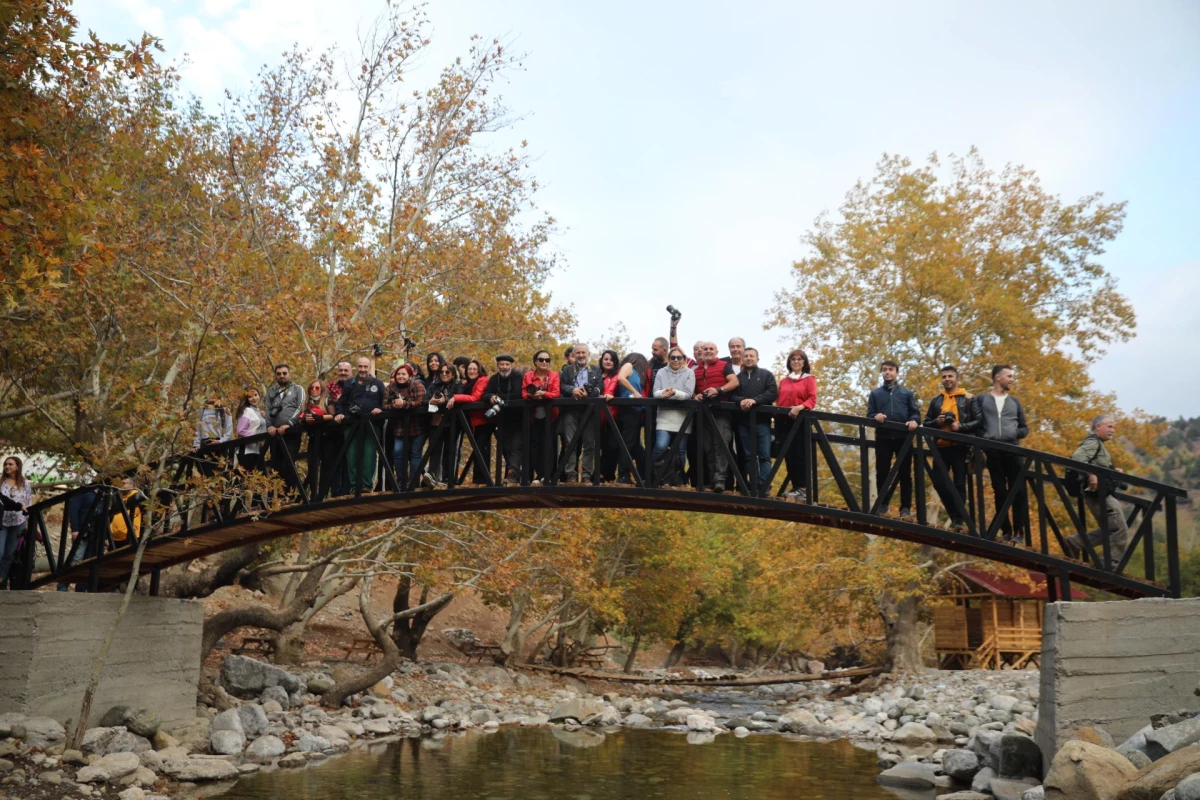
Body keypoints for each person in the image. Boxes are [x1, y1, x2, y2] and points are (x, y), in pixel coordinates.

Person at [972, 365, 1029, 545]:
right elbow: (977, 424)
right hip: (993, 451)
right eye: (1009, 376)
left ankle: (1019, 531)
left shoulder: (1015, 402)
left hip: (1013, 450)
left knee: (1018, 492)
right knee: (999, 491)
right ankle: (1006, 530)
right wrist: (985, 440)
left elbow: (1024, 428)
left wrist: (1013, 434)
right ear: (998, 378)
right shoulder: (982, 399)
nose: (1012, 379)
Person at [1065, 414, 1130, 569]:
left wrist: (1112, 470)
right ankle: (1109, 565)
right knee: (1119, 529)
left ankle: (1075, 543)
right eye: (1109, 426)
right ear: (1098, 426)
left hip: (1099, 493)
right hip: (1097, 493)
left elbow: (1095, 463)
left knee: (1112, 529)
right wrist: (1091, 474)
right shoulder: (1093, 443)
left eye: (1113, 427)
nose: (1112, 430)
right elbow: (1077, 458)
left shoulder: (1099, 445)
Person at [922, 366, 977, 532]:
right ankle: (956, 516)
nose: (947, 379)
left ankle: (958, 520)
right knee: (939, 483)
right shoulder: (936, 400)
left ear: (957, 378)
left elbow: (978, 422)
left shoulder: (968, 399)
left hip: (961, 447)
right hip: (941, 447)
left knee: (959, 485)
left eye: (950, 376)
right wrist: (937, 422)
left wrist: (959, 426)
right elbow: (926, 423)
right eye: (944, 376)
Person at [867, 360, 920, 519]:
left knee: (905, 474)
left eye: (890, 370)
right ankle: (883, 504)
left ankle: (905, 508)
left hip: (903, 437)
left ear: (897, 372)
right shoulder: (876, 394)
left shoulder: (906, 393)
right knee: (882, 472)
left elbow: (915, 413)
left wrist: (914, 421)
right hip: (883, 437)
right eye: (884, 370)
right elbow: (869, 414)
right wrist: (876, 416)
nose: (887, 372)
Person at [334, 356, 386, 493]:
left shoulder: (378, 384)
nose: (362, 369)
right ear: (356, 368)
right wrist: (339, 413)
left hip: (371, 424)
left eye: (365, 367)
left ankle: (366, 484)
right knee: (352, 455)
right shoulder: (350, 383)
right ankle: (354, 485)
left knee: (369, 454)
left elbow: (385, 402)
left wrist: (381, 409)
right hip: (352, 423)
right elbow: (341, 402)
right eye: (360, 366)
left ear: (369, 368)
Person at [693, 342, 739, 492]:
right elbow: (692, 390)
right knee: (708, 447)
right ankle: (713, 480)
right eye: (705, 349)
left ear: (716, 351)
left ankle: (720, 480)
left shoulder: (724, 365)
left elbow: (734, 382)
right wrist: (696, 396)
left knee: (721, 445)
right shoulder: (696, 370)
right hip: (704, 413)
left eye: (710, 349)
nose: (707, 351)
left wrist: (719, 390)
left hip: (721, 411)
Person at [733, 347, 778, 496]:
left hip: (762, 422)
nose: (748, 358)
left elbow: (772, 393)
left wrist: (755, 400)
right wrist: (742, 401)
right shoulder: (738, 378)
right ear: (742, 359)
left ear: (757, 359)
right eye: (746, 356)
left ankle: (764, 485)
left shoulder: (766, 375)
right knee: (748, 456)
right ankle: (753, 485)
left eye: (752, 356)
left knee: (764, 455)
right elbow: (732, 395)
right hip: (744, 422)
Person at [776, 349, 817, 501]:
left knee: (800, 454)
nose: (796, 361)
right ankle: (796, 487)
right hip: (784, 422)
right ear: (789, 362)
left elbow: (812, 399)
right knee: (789, 455)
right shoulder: (784, 380)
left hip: (800, 421)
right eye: (793, 359)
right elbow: (779, 400)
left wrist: (800, 407)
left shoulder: (809, 379)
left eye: (800, 359)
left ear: (804, 362)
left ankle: (804, 489)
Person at [558, 344, 603, 484]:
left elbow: (600, 386)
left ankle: (586, 475)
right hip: (571, 410)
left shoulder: (596, 370)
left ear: (589, 354)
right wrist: (573, 390)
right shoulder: (567, 370)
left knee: (589, 444)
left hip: (589, 411)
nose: (581, 355)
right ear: (574, 354)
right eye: (578, 353)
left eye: (584, 352)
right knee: (570, 443)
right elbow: (562, 386)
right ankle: (570, 474)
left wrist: (589, 393)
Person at [651, 346, 695, 486]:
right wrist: (664, 393)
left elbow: (688, 394)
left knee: (681, 450)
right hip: (664, 416)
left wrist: (674, 392)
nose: (676, 360)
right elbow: (655, 392)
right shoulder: (661, 372)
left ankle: (678, 480)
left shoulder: (689, 373)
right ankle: (653, 476)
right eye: (673, 357)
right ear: (669, 359)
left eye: (679, 357)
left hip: (683, 418)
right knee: (661, 445)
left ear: (684, 359)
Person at [385, 364, 428, 491]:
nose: (401, 376)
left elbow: (420, 402)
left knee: (415, 453)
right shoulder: (391, 387)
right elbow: (384, 404)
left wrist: (404, 404)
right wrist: (395, 405)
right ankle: (401, 480)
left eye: (404, 374)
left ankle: (414, 482)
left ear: (410, 375)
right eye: (398, 374)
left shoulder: (417, 385)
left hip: (418, 426)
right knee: (397, 452)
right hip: (400, 427)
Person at [448, 359, 492, 484]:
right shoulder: (467, 383)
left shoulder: (483, 380)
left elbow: (475, 397)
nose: (471, 371)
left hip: (483, 420)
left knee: (480, 449)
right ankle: (478, 479)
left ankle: (481, 480)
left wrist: (455, 398)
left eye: (474, 369)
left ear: (479, 370)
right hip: (472, 421)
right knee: (478, 449)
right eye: (469, 369)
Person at [485, 354, 525, 485]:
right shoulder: (494, 379)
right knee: (505, 447)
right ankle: (513, 474)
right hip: (501, 420)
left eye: (507, 364)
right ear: (497, 366)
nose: (504, 367)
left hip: (518, 418)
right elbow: (485, 394)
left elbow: (518, 394)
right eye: (501, 364)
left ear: (511, 366)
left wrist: (499, 397)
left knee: (516, 446)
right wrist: (491, 396)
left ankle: (513, 474)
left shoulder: (518, 376)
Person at [265, 364, 306, 492]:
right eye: (278, 374)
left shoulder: (297, 389)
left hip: (291, 432)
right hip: (275, 434)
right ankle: (279, 497)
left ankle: (291, 494)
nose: (281, 376)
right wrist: (269, 426)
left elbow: (301, 407)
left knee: (289, 463)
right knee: (276, 466)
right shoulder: (271, 391)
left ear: (289, 374)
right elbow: (267, 410)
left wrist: (289, 423)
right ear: (275, 375)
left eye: (284, 373)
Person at [523, 350, 561, 485]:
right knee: (534, 445)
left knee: (549, 445)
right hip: (533, 416)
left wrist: (544, 394)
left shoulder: (554, 375)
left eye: (547, 360)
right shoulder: (528, 376)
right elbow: (524, 392)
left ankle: (548, 475)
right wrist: (531, 396)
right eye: (541, 359)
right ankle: (537, 475)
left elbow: (556, 393)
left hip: (550, 416)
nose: (544, 362)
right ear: (535, 361)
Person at [422, 363, 461, 488]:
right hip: (436, 423)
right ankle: (432, 475)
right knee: (434, 449)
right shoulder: (434, 385)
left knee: (450, 450)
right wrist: (431, 402)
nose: (444, 374)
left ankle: (447, 477)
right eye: (442, 372)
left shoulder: (458, 385)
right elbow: (425, 400)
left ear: (453, 374)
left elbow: (461, 397)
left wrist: (448, 399)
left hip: (452, 423)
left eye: (447, 372)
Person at [614, 352, 650, 485]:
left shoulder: (636, 374)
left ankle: (643, 476)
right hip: (629, 409)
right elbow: (621, 378)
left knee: (636, 446)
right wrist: (635, 392)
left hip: (636, 410)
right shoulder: (629, 366)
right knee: (628, 442)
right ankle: (623, 475)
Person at [0, 456, 32, 587]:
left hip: (18, 522)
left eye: (10, 464)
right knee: (0, 552)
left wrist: (27, 524)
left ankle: (2, 579)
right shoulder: (0, 482)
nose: (7, 466)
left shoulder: (25, 483)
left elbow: (28, 503)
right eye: (5, 464)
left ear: (17, 467)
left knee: (9, 554)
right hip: (2, 522)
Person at [597, 349, 622, 483]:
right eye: (606, 359)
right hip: (596, 417)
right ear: (601, 361)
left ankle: (607, 475)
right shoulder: (595, 375)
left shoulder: (618, 376)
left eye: (611, 359)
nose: (608, 362)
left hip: (613, 416)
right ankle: (597, 474)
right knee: (597, 446)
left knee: (612, 447)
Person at [235, 388, 267, 471]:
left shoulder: (258, 411)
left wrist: (265, 417)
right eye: (250, 396)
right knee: (248, 479)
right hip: (246, 450)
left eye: (255, 395)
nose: (254, 398)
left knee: (261, 480)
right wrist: (257, 438)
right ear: (246, 399)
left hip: (257, 451)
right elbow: (240, 430)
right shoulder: (247, 410)